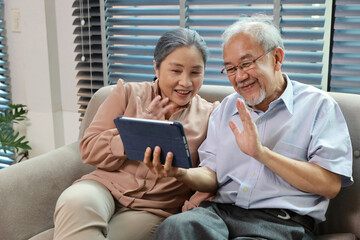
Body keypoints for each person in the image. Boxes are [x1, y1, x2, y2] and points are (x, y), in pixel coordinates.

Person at [148, 17, 353, 240]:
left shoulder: (318, 107)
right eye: (230, 68)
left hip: (281, 223)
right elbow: (211, 173)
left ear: (277, 58)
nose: (240, 77)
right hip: (221, 214)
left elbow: (330, 185)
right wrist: (181, 173)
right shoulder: (225, 109)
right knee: (176, 227)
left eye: (246, 64)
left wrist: (261, 154)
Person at [53, 28, 219, 240]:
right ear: (157, 68)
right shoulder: (128, 93)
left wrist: (186, 214)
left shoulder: (211, 115)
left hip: (153, 209)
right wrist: (133, 134)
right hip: (103, 188)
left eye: (195, 72)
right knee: (75, 201)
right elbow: (88, 149)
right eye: (176, 71)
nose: (186, 82)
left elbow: (212, 176)